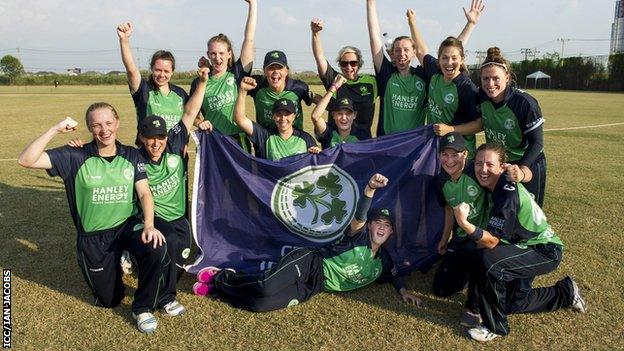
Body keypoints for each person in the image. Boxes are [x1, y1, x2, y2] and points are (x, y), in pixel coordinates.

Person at [17, 102, 177, 334]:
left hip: (126, 226)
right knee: (109, 300)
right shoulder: (75, 155)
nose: (104, 130)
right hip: (94, 238)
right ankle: (119, 258)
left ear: (117, 123)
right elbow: (26, 160)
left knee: (156, 246)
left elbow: (144, 192)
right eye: (97, 125)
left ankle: (143, 308)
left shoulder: (131, 155)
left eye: (109, 123)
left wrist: (150, 225)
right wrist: (55, 129)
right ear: (90, 128)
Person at [192, 174, 422, 312]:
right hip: (310, 262)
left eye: (387, 225)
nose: (381, 227)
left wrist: (403, 291)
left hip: (315, 286)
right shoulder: (358, 235)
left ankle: (217, 290)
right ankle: (222, 277)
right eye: (377, 223)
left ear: (391, 232)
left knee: (260, 305)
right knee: (265, 287)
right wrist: (370, 189)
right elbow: (360, 215)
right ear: (370, 226)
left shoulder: (382, 260)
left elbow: (394, 274)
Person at [452, 143, 586, 342]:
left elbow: (490, 242)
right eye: (479, 163)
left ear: (502, 166)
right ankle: (566, 292)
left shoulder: (506, 192)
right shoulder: (497, 182)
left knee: (489, 260)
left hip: (543, 250)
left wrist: (463, 222)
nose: (483, 169)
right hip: (521, 245)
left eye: (490, 164)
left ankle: (494, 326)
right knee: (514, 302)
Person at [407, 1, 485, 158]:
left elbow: (480, 124)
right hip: (438, 148)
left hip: (461, 154)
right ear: (439, 59)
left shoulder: (466, 88)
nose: (449, 63)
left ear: (462, 60)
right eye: (445, 58)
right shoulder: (435, 71)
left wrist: (451, 129)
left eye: (454, 58)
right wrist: (412, 22)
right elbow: (421, 50)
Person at [476, 47, 548, 206]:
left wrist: (522, 170)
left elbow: (537, 143)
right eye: (485, 78)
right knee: (499, 213)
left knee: (526, 213)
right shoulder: (481, 96)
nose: (490, 84)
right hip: (498, 164)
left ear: (507, 77)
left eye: (496, 78)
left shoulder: (524, 103)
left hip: (527, 162)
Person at [431, 132, 487, 328]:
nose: (449, 160)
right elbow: (448, 209)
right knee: (440, 289)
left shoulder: (478, 172)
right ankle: (468, 275)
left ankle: (475, 305)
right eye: (445, 155)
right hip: (462, 237)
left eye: (455, 154)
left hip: (483, 238)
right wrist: (445, 239)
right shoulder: (440, 181)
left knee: (481, 260)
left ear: (466, 154)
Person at [189, 0, 257, 149]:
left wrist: (253, 4)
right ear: (208, 54)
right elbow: (191, 115)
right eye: (213, 53)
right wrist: (200, 123)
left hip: (238, 140)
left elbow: (249, 39)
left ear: (229, 54)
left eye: (221, 53)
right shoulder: (199, 82)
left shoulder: (237, 74)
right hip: (214, 141)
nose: (217, 58)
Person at [117, 22, 189, 144]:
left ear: (172, 72)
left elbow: (188, 120)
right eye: (158, 70)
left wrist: (185, 144)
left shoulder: (180, 94)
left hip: (174, 153)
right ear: (151, 69)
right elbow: (131, 68)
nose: (162, 75)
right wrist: (124, 39)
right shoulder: (144, 89)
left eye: (166, 71)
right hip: (147, 150)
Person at [366, 0, 428, 136]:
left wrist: (412, 23)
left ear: (413, 52)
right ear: (392, 53)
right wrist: (370, 3)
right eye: (398, 50)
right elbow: (374, 37)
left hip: (414, 145)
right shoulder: (386, 73)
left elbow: (429, 54)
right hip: (387, 144)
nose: (402, 54)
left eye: (406, 50)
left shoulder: (423, 76)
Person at [311, 18, 377, 137]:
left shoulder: (371, 82)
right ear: (340, 65)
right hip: (336, 143)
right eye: (344, 63)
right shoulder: (335, 79)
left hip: (363, 142)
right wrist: (315, 33)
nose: (349, 67)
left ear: (359, 63)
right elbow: (319, 58)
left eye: (353, 63)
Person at [233, 76, 320, 161]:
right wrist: (242, 91)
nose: (283, 118)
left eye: (287, 114)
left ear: (294, 116)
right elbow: (239, 119)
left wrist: (318, 153)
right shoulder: (265, 136)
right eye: (279, 114)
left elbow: (317, 164)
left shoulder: (305, 138)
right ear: (273, 116)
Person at [248, 50, 319, 132]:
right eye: (271, 68)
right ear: (264, 70)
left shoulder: (299, 87)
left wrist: (334, 105)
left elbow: (314, 99)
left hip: (294, 139)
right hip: (265, 139)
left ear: (286, 71)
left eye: (280, 68)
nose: (276, 72)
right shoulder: (256, 85)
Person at [311, 75, 370, 149]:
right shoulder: (328, 133)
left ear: (354, 115)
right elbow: (315, 117)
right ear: (333, 115)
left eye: (348, 113)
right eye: (339, 114)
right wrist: (334, 87)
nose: (344, 118)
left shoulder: (362, 136)